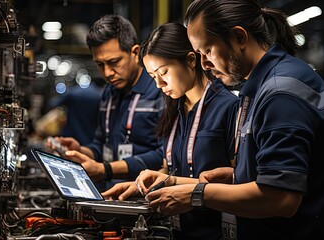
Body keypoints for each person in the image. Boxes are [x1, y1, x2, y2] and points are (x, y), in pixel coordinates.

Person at [113, 0, 324, 239]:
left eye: (207, 51)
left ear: (239, 37)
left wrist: (196, 194)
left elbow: (281, 198)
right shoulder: (258, 89)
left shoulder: (280, 92)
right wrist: (235, 177)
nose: (204, 64)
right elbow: (275, 176)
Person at [102, 22, 239, 239]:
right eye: (152, 76)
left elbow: (238, 181)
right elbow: (170, 168)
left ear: (191, 60)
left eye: (163, 72)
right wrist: (144, 186)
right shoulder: (175, 108)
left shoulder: (228, 107)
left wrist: (174, 183)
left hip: (215, 232)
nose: (159, 83)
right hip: (178, 231)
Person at [47, 15, 164, 191]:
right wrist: (82, 151)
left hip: (147, 196)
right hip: (112, 194)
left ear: (135, 52)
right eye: (100, 65)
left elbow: (164, 155)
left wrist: (106, 170)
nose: (108, 73)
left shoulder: (159, 90)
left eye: (114, 62)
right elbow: (103, 145)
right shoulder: (109, 93)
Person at [47, 78, 105, 145]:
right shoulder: (99, 96)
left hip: (70, 135)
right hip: (90, 138)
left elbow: (53, 103)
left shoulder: (75, 91)